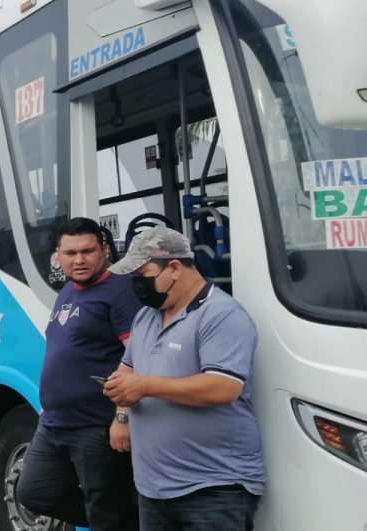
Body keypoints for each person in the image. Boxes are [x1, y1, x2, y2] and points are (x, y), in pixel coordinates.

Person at [103, 227, 266, 531]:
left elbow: (223, 387)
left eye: (142, 274)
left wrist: (144, 385)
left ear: (174, 268)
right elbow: (128, 368)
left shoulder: (221, 315)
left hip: (212, 489)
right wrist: (122, 413)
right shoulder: (147, 315)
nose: (137, 285)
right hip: (154, 488)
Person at [15, 217, 140, 531]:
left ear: (105, 250)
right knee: (33, 493)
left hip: (96, 426)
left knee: (106, 510)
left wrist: (122, 416)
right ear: (58, 254)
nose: (79, 260)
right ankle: (131, 522)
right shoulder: (69, 290)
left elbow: (138, 358)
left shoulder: (121, 291)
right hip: (54, 422)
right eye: (70, 253)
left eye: (88, 251)